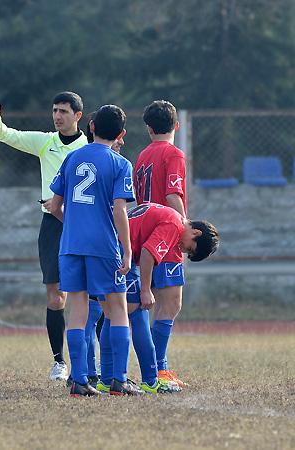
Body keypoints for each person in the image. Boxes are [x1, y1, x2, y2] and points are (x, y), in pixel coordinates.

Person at [0, 92, 87, 381]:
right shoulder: (46, 142)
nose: (57, 116)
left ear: (78, 115)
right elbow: (7, 135)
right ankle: (59, 362)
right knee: (56, 296)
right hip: (52, 226)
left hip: (84, 224)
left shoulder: (89, 147)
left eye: (63, 111)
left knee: (90, 294)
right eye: (54, 110)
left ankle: (91, 362)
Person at [50, 104, 142, 396]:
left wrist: (73, 223)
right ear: (121, 134)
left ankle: (79, 380)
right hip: (103, 245)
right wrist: (127, 250)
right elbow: (119, 210)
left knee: (77, 309)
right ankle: (119, 380)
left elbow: (54, 206)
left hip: (70, 245)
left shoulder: (72, 157)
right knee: (117, 309)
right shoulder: (120, 164)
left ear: (91, 127)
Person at [99, 203, 219, 394]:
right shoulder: (175, 225)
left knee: (111, 314)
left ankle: (106, 380)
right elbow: (147, 254)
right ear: (196, 232)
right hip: (118, 254)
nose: (184, 250)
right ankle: (150, 381)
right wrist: (145, 290)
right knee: (137, 312)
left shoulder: (166, 214)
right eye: (190, 248)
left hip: (104, 248)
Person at [133, 100, 189, 387]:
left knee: (152, 303)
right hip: (165, 234)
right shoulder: (174, 154)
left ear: (149, 129)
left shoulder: (142, 155)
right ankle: (158, 370)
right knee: (171, 304)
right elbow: (172, 195)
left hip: (144, 232)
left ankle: (155, 369)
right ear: (176, 125)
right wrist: (184, 228)